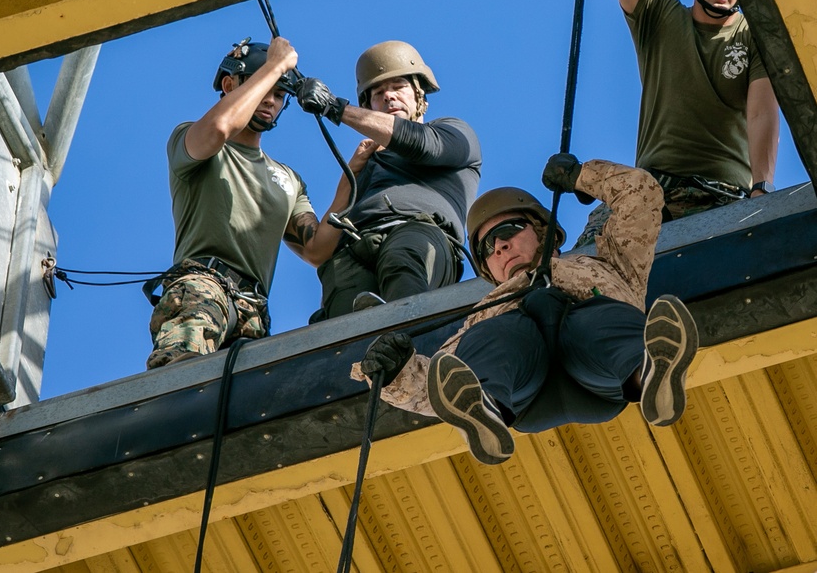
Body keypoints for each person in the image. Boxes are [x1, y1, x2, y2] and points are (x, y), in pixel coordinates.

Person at [352, 154, 699, 465]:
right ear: (488, 267)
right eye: (488, 247)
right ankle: (484, 409)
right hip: (525, 391)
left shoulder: (609, 265)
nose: (500, 246)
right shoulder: (484, 313)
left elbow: (641, 195)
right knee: (491, 337)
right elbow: (439, 383)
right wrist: (395, 371)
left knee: (599, 317)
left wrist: (582, 177)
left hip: (603, 372)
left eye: (508, 231)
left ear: (542, 230)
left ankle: (652, 372)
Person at [144, 37, 372, 369]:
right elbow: (221, 128)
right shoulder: (193, 138)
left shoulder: (287, 179)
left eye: (280, 94)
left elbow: (316, 249)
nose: (271, 100)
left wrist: (350, 178)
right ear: (229, 84)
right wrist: (275, 66)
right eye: (260, 85)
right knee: (180, 374)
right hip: (202, 285)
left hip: (253, 308)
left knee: (237, 405)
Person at [575, 0, 781, 246]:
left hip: (720, 193)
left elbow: (762, 112)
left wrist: (762, 189)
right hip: (650, 188)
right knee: (588, 259)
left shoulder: (755, 34)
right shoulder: (658, 16)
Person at [294, 41, 482, 319]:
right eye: (378, 93)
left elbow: (420, 143)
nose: (389, 97)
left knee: (401, 262)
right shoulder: (362, 163)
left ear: (420, 96)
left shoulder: (453, 133)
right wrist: (352, 175)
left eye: (398, 87)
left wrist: (335, 108)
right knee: (343, 309)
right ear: (369, 106)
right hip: (356, 247)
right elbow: (321, 249)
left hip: (419, 235)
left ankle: (407, 344)